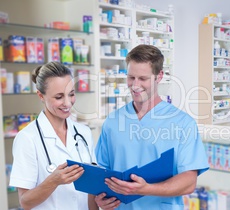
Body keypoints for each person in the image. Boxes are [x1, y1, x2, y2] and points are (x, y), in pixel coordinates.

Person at [93, 44, 209, 209]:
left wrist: (146, 189)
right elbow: (101, 173)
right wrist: (101, 198)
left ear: (159, 76)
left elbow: (189, 182)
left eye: (143, 79)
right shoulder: (113, 121)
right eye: (131, 77)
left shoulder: (183, 123)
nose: (135, 85)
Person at [9, 61, 97, 210]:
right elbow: (25, 202)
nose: (68, 103)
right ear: (41, 96)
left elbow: (90, 192)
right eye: (59, 97)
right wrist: (54, 181)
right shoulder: (27, 138)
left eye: (71, 94)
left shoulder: (84, 133)